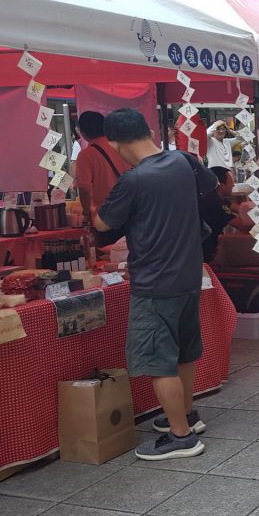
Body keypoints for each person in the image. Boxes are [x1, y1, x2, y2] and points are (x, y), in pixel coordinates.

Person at [93, 109, 217, 460]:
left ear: (114, 143)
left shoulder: (134, 179)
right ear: (147, 130)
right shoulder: (182, 161)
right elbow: (210, 184)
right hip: (190, 274)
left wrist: (91, 209)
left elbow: (103, 224)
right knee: (183, 351)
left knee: (159, 358)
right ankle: (185, 415)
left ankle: (181, 437)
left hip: (154, 282)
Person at [74, 111, 131, 223]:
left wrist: (86, 213)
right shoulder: (122, 146)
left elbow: (84, 189)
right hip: (131, 212)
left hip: (106, 217)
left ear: (82, 132)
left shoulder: (86, 155)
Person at [198, 167, 243, 263]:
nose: (234, 185)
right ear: (221, 185)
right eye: (231, 182)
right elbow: (241, 225)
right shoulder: (214, 202)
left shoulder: (217, 197)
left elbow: (240, 209)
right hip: (210, 253)